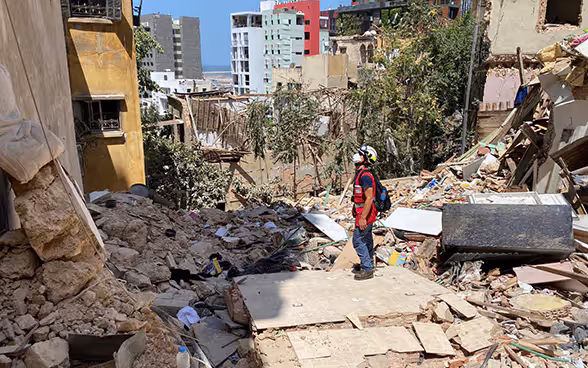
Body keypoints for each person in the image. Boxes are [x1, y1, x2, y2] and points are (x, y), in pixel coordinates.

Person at [351, 144, 378, 281]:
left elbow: (369, 198)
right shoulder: (360, 174)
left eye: (360, 154)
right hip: (361, 211)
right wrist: (354, 208)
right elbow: (359, 195)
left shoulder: (366, 176)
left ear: (365, 159)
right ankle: (368, 264)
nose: (356, 156)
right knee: (366, 239)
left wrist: (363, 218)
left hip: (365, 213)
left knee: (357, 240)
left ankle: (367, 269)